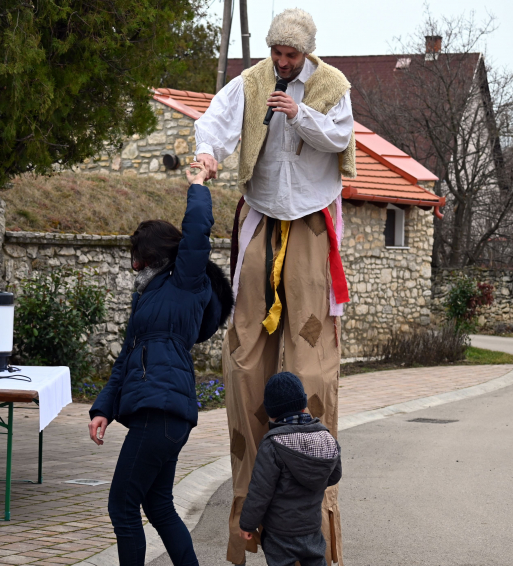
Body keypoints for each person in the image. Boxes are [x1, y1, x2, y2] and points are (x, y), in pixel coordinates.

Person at [192, 8, 353, 563]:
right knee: (244, 364)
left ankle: (318, 521)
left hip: (310, 221)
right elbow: (215, 120)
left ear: (306, 53)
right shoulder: (253, 82)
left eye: (290, 56)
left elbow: (341, 139)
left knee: (311, 367)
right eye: (277, 53)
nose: (282, 63)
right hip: (261, 217)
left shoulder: (332, 86)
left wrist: (301, 113)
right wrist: (208, 154)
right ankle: (247, 527)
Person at [88, 163, 230, 566]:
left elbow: (198, 229)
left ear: (153, 254)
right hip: (161, 411)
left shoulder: (186, 278)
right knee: (158, 504)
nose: (133, 264)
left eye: (138, 256)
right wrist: (103, 408)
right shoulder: (148, 297)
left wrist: (198, 185)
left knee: (122, 507)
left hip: (162, 410)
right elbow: (127, 359)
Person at [239, 372, 342, 566]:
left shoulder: (272, 444)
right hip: (311, 526)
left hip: (279, 531)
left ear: (271, 413)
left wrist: (247, 524)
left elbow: (260, 492)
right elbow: (335, 475)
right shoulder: (326, 437)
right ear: (304, 405)